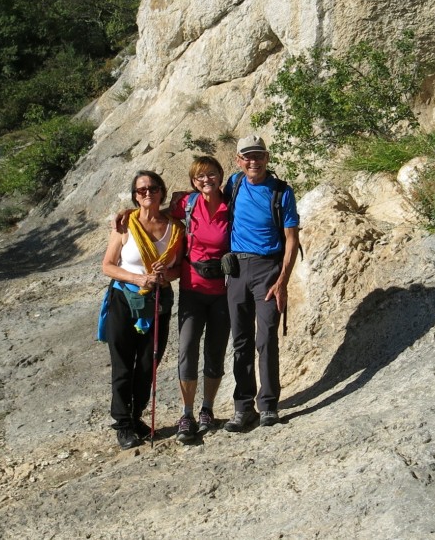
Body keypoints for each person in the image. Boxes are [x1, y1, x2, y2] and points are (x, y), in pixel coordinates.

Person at [223, 135, 300, 432]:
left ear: (267, 158)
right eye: (247, 157)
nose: (253, 161)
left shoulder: (282, 191)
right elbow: (198, 200)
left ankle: (268, 405)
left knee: (266, 338)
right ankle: (243, 408)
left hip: (268, 269)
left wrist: (282, 281)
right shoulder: (233, 184)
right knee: (240, 340)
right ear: (238, 160)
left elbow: (292, 238)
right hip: (237, 270)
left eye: (258, 156)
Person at [101, 170, 183, 449]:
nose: (147, 193)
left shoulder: (175, 228)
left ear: (162, 191)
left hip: (157, 300)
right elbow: (108, 265)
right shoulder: (125, 225)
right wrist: (138, 278)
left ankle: (135, 417)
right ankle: (123, 423)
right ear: (135, 196)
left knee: (149, 364)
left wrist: (164, 276)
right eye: (141, 190)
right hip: (124, 298)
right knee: (123, 363)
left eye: (153, 188)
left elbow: (178, 268)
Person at [167, 156, 231, 444]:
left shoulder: (232, 204)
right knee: (187, 349)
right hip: (192, 288)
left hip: (224, 291)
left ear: (221, 175)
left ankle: (207, 408)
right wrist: (127, 212)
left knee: (215, 352)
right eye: (199, 177)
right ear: (193, 182)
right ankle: (187, 412)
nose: (206, 181)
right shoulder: (187, 204)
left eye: (211, 174)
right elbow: (154, 211)